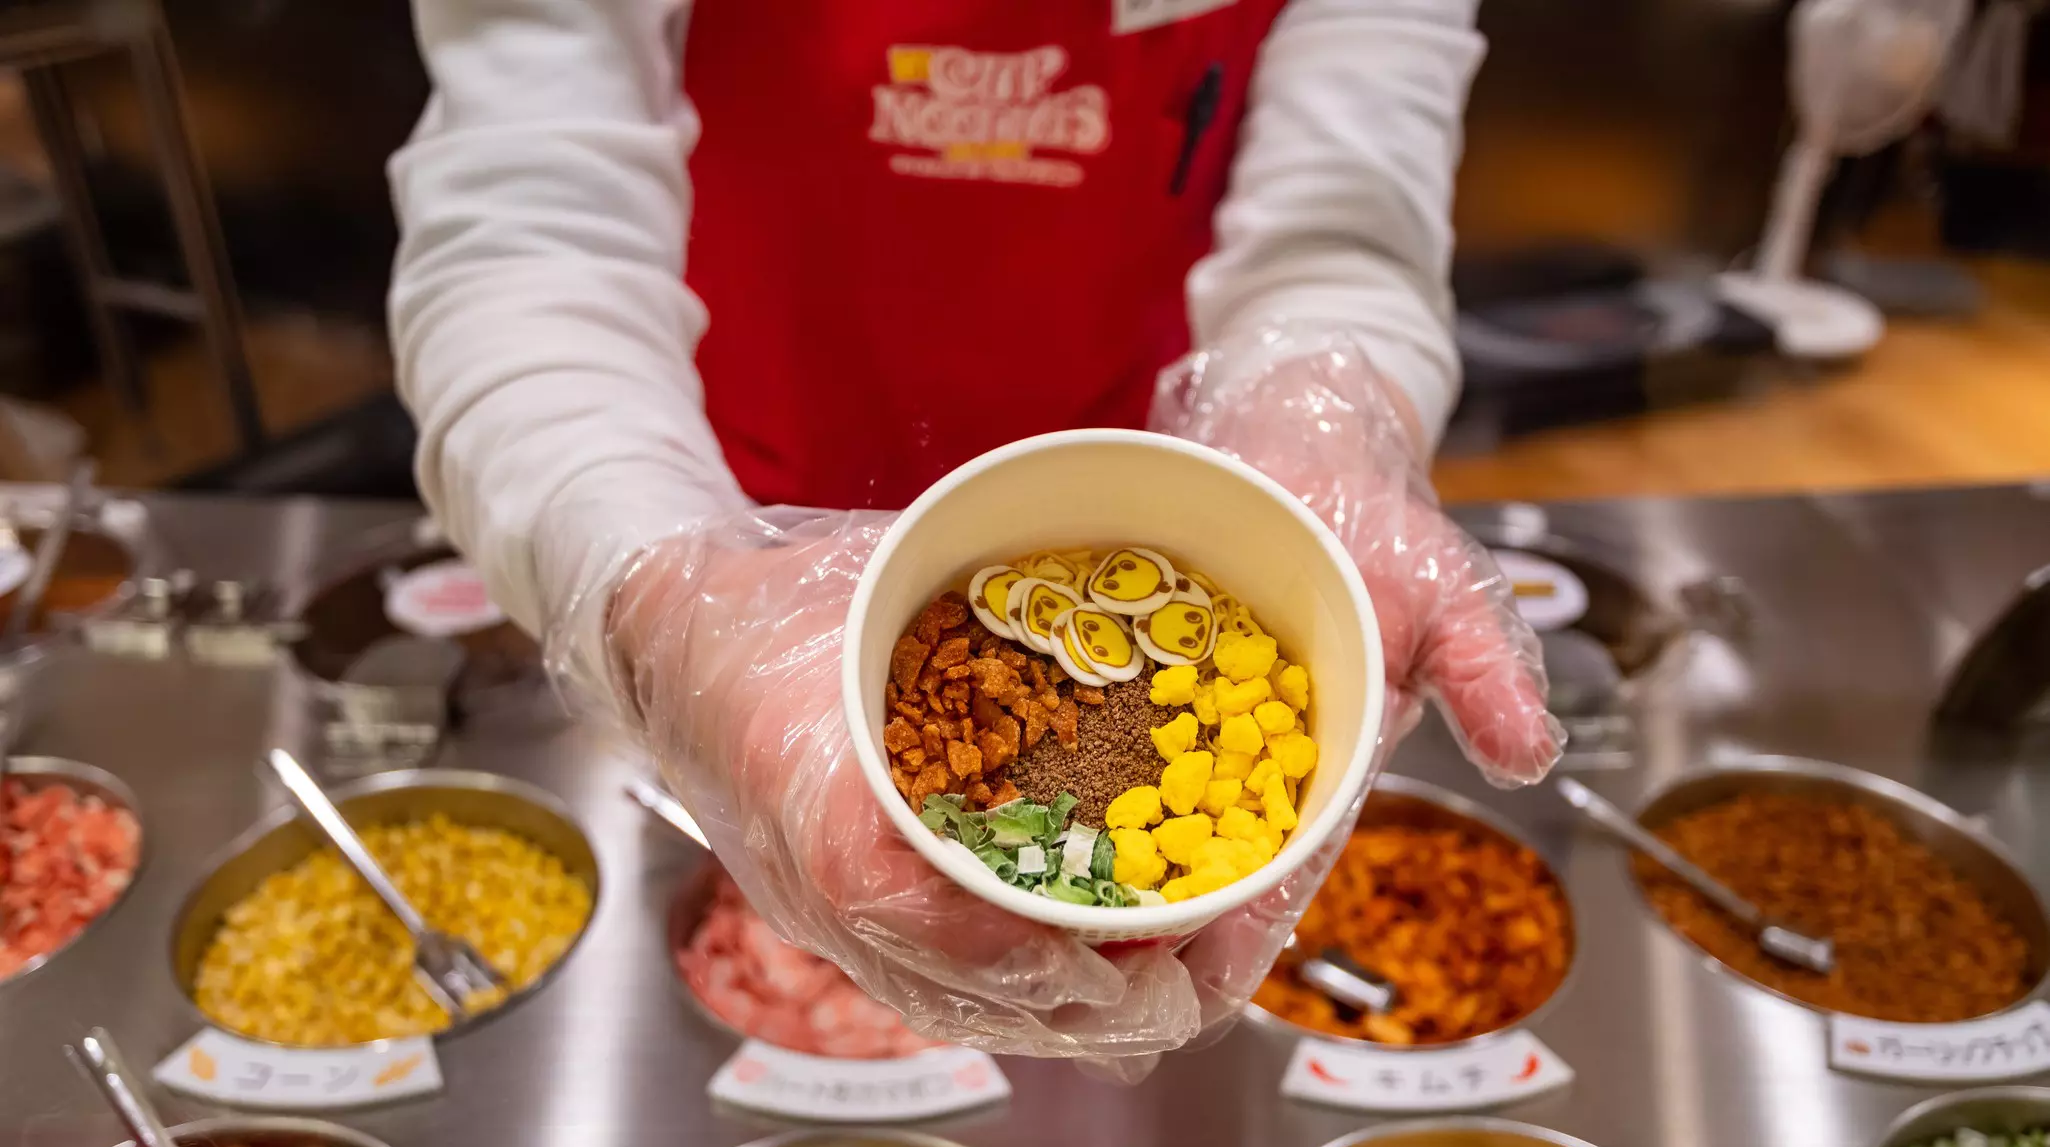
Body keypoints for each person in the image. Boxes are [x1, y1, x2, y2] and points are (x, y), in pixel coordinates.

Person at [388, 0, 1565, 1071]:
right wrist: (664, 589)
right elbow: (526, 223)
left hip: (1164, 501)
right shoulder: (730, 591)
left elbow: (1346, 207)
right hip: (746, 546)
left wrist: (1326, 404)